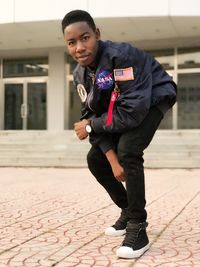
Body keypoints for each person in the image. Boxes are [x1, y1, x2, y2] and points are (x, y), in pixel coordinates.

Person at [61, 10, 177, 259]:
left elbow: (133, 112)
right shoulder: (80, 75)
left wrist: (91, 125)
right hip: (123, 108)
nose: (80, 47)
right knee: (96, 159)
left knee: (129, 149)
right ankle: (127, 209)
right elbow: (90, 114)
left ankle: (138, 226)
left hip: (155, 97)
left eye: (85, 38)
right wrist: (111, 161)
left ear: (97, 35)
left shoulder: (121, 57)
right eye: (72, 42)